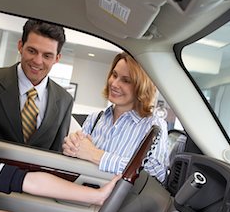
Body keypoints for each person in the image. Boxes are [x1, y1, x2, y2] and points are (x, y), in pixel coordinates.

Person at [63, 52, 168, 182]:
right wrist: (71, 148)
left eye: (126, 80)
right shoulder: (95, 119)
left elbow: (155, 175)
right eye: (114, 75)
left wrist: (96, 155)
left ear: (141, 87)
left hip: (122, 201)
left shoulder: (153, 125)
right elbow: (77, 156)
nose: (114, 84)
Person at [0, 19, 73, 152]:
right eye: (32, 51)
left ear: (57, 58)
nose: (38, 61)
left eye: (47, 56)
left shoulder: (65, 100)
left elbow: (56, 152)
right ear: (20, 46)